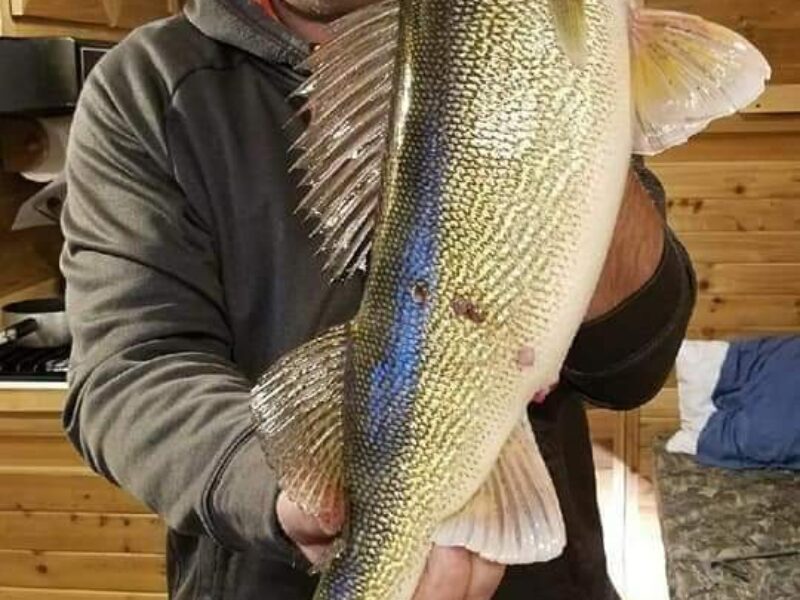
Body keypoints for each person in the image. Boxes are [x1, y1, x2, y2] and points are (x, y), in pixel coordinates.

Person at [60, 0, 696, 598]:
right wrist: (300, 490)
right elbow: (129, 370)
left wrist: (576, 106)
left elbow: (632, 365)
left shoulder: (500, 40)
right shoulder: (144, 90)